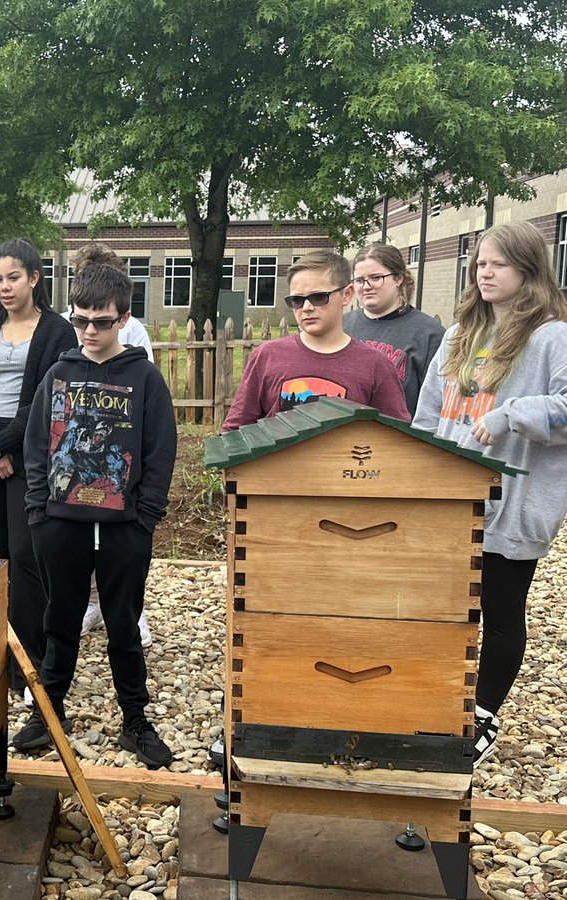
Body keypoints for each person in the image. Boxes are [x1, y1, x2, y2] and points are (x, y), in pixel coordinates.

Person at [412, 221, 567, 767]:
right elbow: (429, 413)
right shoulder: (460, 336)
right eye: (479, 262)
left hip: (512, 504)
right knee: (448, 606)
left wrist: (511, 415)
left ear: (529, 270)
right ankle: (439, 700)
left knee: (500, 610)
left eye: (497, 263)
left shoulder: (551, 337)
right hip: (451, 499)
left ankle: (482, 716)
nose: (485, 271)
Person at [19, 262, 178, 769]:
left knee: (123, 626)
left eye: (101, 321)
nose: (89, 331)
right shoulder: (60, 373)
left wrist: (145, 516)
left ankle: (135, 718)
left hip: (124, 528)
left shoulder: (144, 378)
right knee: (59, 621)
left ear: (123, 319)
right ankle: (50, 711)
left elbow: (160, 448)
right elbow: (37, 444)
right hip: (60, 524)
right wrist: (40, 511)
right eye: (81, 319)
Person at [0, 238, 77, 696]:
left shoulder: (56, 333)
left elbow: (51, 399)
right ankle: (4, 657)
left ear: (34, 278)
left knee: (28, 556)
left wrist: (6, 445)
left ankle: (40, 663)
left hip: (33, 454)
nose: (5, 287)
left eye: (14, 278)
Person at [63, 244, 155, 647]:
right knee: (82, 540)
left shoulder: (133, 333)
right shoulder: (77, 328)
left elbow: (142, 386)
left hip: (118, 446)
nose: (91, 329)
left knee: (121, 549)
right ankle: (91, 604)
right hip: (81, 443)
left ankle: (133, 613)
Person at [222, 249, 411, 431]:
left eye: (319, 297)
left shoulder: (376, 365)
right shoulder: (267, 356)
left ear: (346, 294)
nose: (306, 307)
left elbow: (396, 440)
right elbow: (234, 431)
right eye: (297, 300)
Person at [343, 242, 445, 415]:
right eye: (360, 280)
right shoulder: (340, 326)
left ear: (399, 278)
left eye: (376, 278)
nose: (367, 286)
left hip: (398, 437)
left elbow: (435, 405)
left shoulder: (430, 335)